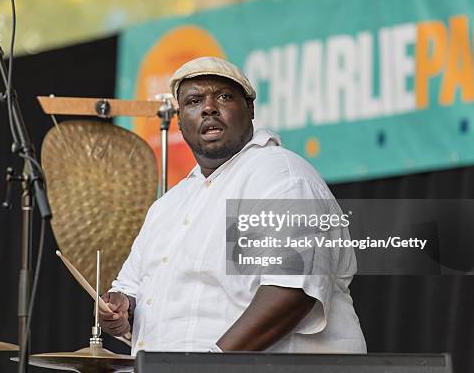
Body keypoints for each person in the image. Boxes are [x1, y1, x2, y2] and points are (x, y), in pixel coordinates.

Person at [99, 56, 366, 354]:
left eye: (223, 97)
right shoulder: (168, 205)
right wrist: (122, 310)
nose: (209, 108)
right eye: (194, 100)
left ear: (250, 109)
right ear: (179, 121)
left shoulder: (280, 177)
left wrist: (211, 364)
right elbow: (133, 290)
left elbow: (291, 291)